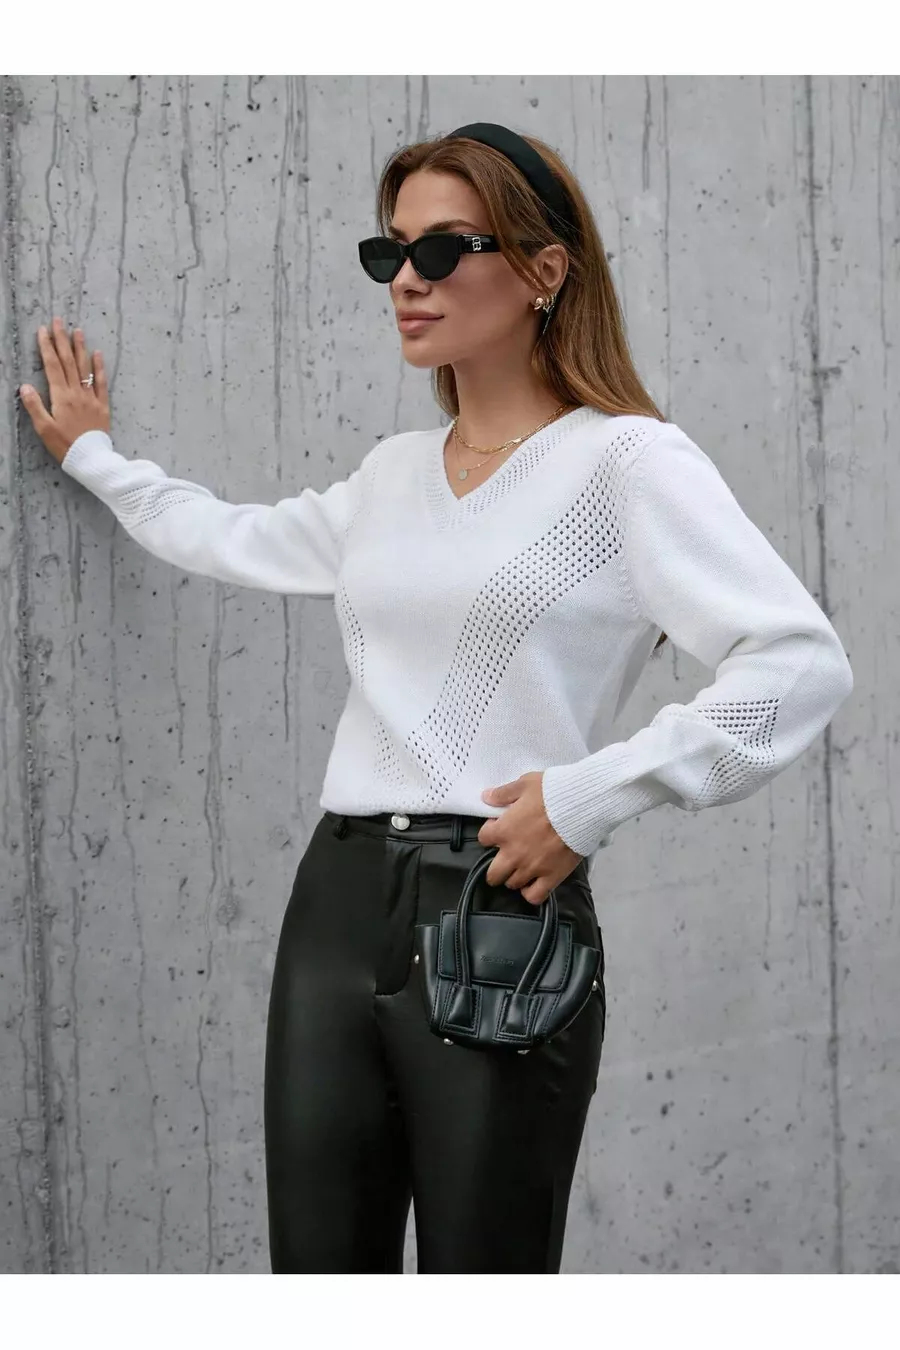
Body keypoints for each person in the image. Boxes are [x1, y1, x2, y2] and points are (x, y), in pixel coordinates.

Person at [18, 121, 854, 1275]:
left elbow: (798, 661)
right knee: (320, 1277)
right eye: (391, 251)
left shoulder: (627, 464)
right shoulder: (393, 476)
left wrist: (591, 797)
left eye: (444, 248)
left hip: (498, 903)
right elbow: (230, 536)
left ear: (545, 270)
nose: (406, 279)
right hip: (335, 902)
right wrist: (95, 457)